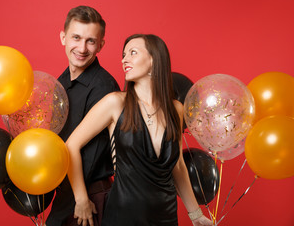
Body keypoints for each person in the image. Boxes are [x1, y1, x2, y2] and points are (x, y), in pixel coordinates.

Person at [65, 34, 213, 226]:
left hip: (165, 216)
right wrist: (81, 199)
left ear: (154, 59)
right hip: (123, 215)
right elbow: (71, 146)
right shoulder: (115, 103)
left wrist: (196, 215)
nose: (124, 59)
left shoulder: (176, 109)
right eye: (124, 54)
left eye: (132, 53)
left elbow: (177, 167)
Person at [45, 6, 120, 226]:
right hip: (67, 193)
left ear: (100, 45)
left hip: (88, 198)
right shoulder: (61, 82)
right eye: (76, 38)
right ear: (63, 38)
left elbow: (90, 158)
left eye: (90, 41)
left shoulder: (103, 87)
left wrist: (79, 199)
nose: (82, 48)